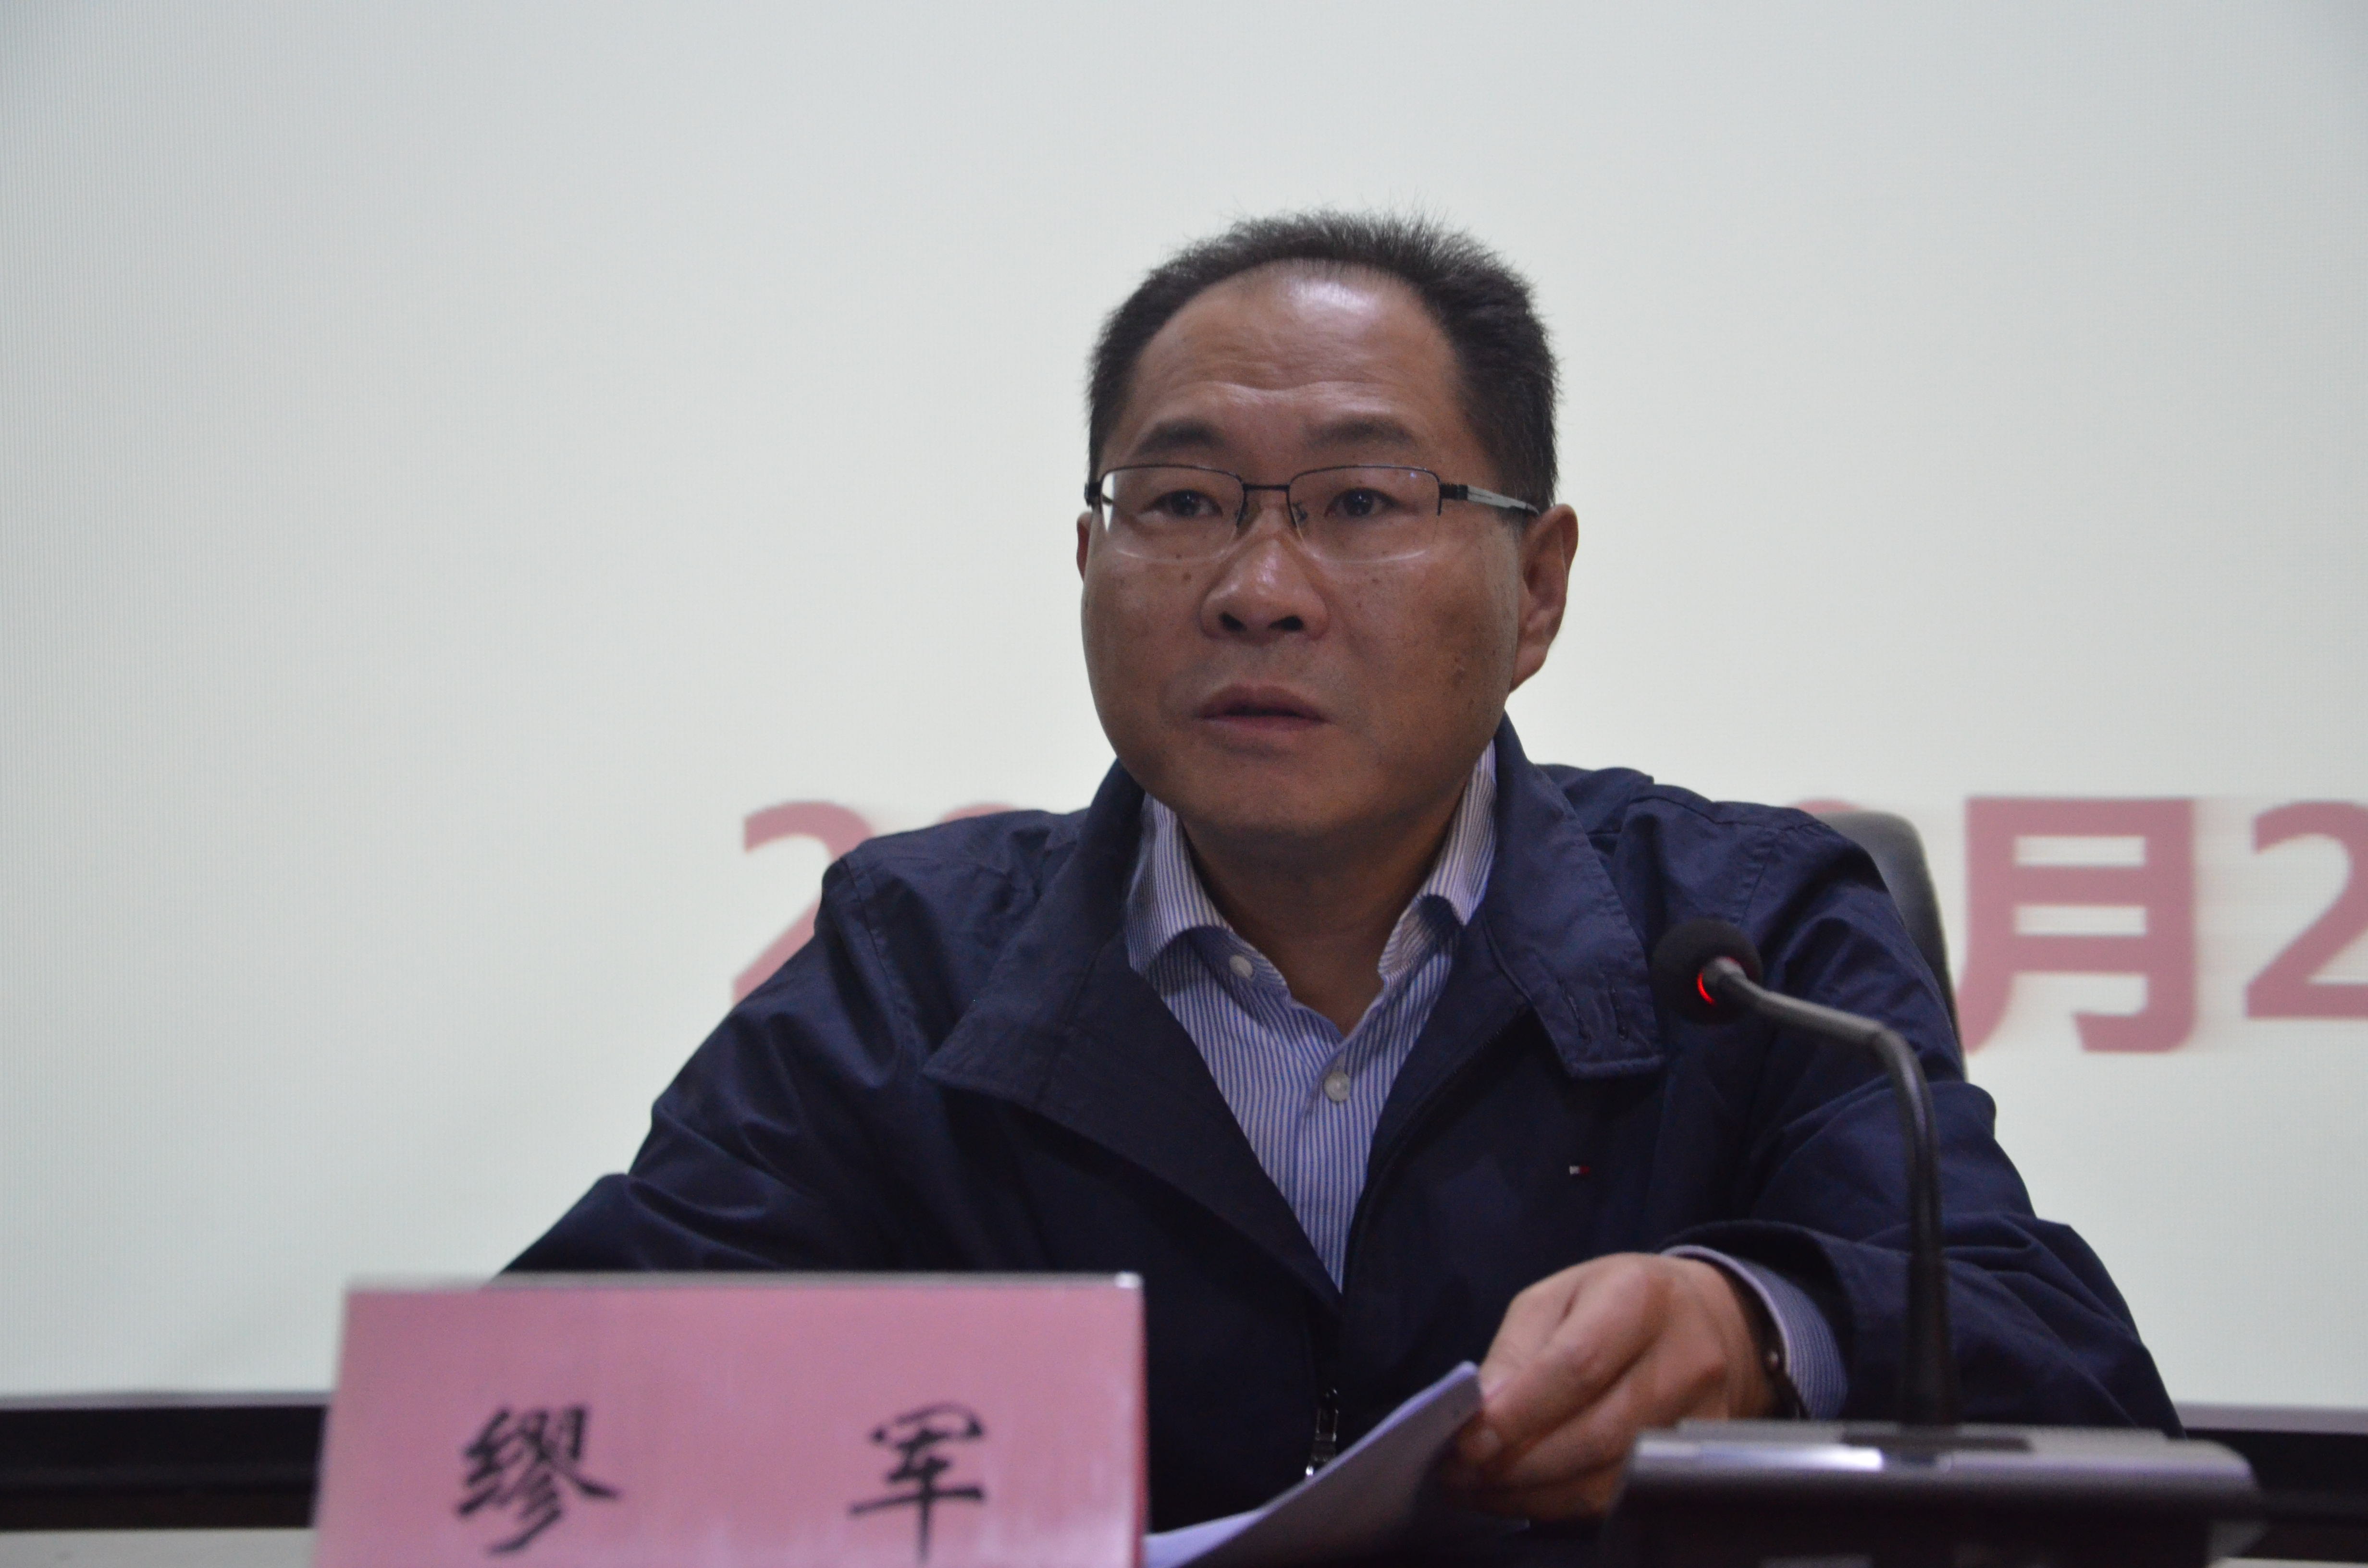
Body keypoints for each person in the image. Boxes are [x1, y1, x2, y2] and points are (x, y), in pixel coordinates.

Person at [511, 212, 2175, 1530]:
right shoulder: (916, 961)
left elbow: (2067, 1369)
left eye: (1363, 502)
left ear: (1537, 589)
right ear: (1088, 561)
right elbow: (549, 1396)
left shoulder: (1746, 933)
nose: (1259, 587)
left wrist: (1757, 1328)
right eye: (1180, 502)